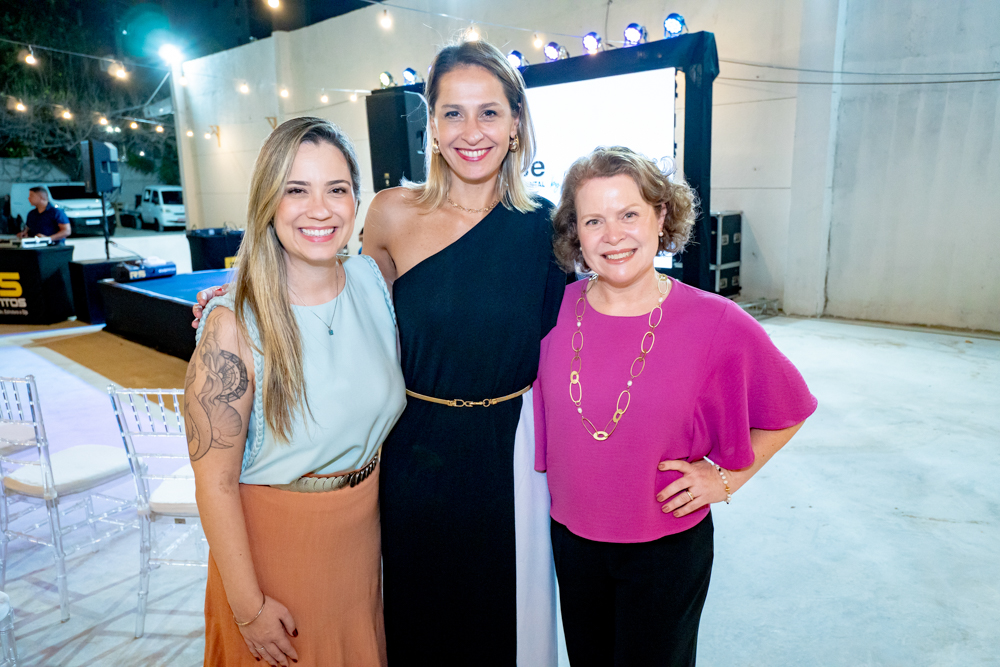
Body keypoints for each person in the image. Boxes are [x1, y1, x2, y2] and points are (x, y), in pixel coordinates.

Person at [193, 40, 567, 665]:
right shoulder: (392, 213)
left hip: (507, 452)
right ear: (432, 127)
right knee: (408, 624)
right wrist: (238, 299)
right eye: (452, 113)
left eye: (489, 112)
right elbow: (343, 289)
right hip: (408, 454)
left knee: (499, 622)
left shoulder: (545, 228)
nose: (471, 131)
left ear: (516, 124)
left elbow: (588, 327)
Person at [534, 146, 818, 666]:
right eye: (594, 221)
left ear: (661, 216)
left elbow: (790, 408)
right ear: (576, 231)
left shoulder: (715, 321)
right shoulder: (555, 307)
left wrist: (726, 480)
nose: (613, 236)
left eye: (629, 215)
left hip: (664, 548)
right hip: (573, 540)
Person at [186, 117, 405, 667]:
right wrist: (248, 607)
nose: (320, 209)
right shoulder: (232, 325)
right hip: (275, 557)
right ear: (268, 201)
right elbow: (214, 483)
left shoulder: (372, 281)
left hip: (362, 544)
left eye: (337, 189)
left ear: (356, 199)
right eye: (297, 190)